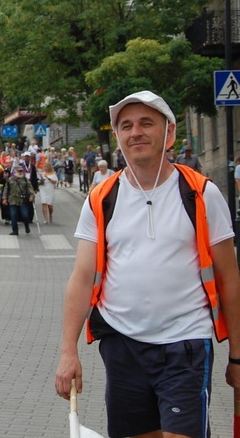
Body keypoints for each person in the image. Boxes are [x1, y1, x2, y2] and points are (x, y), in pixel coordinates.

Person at [55, 90, 240, 438]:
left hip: (185, 345)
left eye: (146, 123)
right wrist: (68, 352)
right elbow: (81, 279)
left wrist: (237, 357)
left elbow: (230, 278)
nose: (135, 132)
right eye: (126, 126)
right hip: (123, 345)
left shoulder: (201, 194)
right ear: (118, 137)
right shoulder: (101, 198)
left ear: (168, 133)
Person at [1, 166, 35, 236]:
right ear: (15, 172)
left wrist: (32, 196)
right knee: (13, 216)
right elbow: (6, 190)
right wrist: (4, 198)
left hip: (22, 201)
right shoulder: (10, 180)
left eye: (21, 171)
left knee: (25, 215)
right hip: (12, 201)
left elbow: (30, 189)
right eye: (19, 171)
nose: (20, 172)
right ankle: (15, 230)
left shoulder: (25, 180)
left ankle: (27, 226)